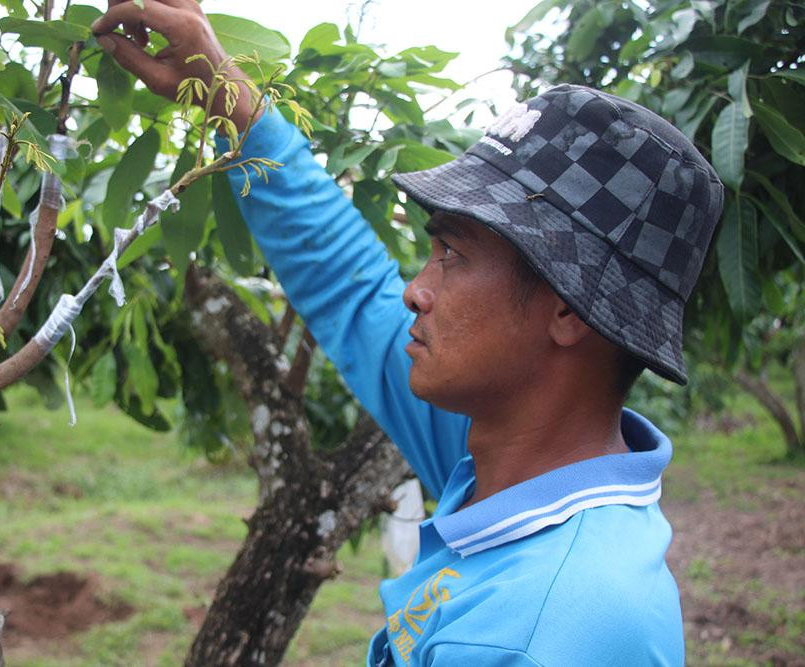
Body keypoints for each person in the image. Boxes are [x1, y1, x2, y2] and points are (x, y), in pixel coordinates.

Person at [93, 2, 723, 664]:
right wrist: (227, 95)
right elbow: (354, 292)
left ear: (568, 308)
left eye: (452, 254)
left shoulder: (546, 632)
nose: (415, 289)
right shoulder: (504, 460)